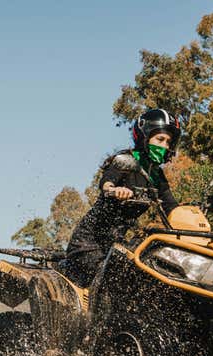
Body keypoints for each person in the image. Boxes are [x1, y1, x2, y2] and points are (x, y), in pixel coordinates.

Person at [63, 108, 181, 287]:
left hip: (116, 246)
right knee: (117, 281)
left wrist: (197, 212)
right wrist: (114, 189)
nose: (164, 146)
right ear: (144, 137)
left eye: (168, 142)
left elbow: (172, 207)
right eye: (160, 139)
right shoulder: (126, 161)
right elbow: (106, 182)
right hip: (88, 244)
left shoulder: (156, 175)